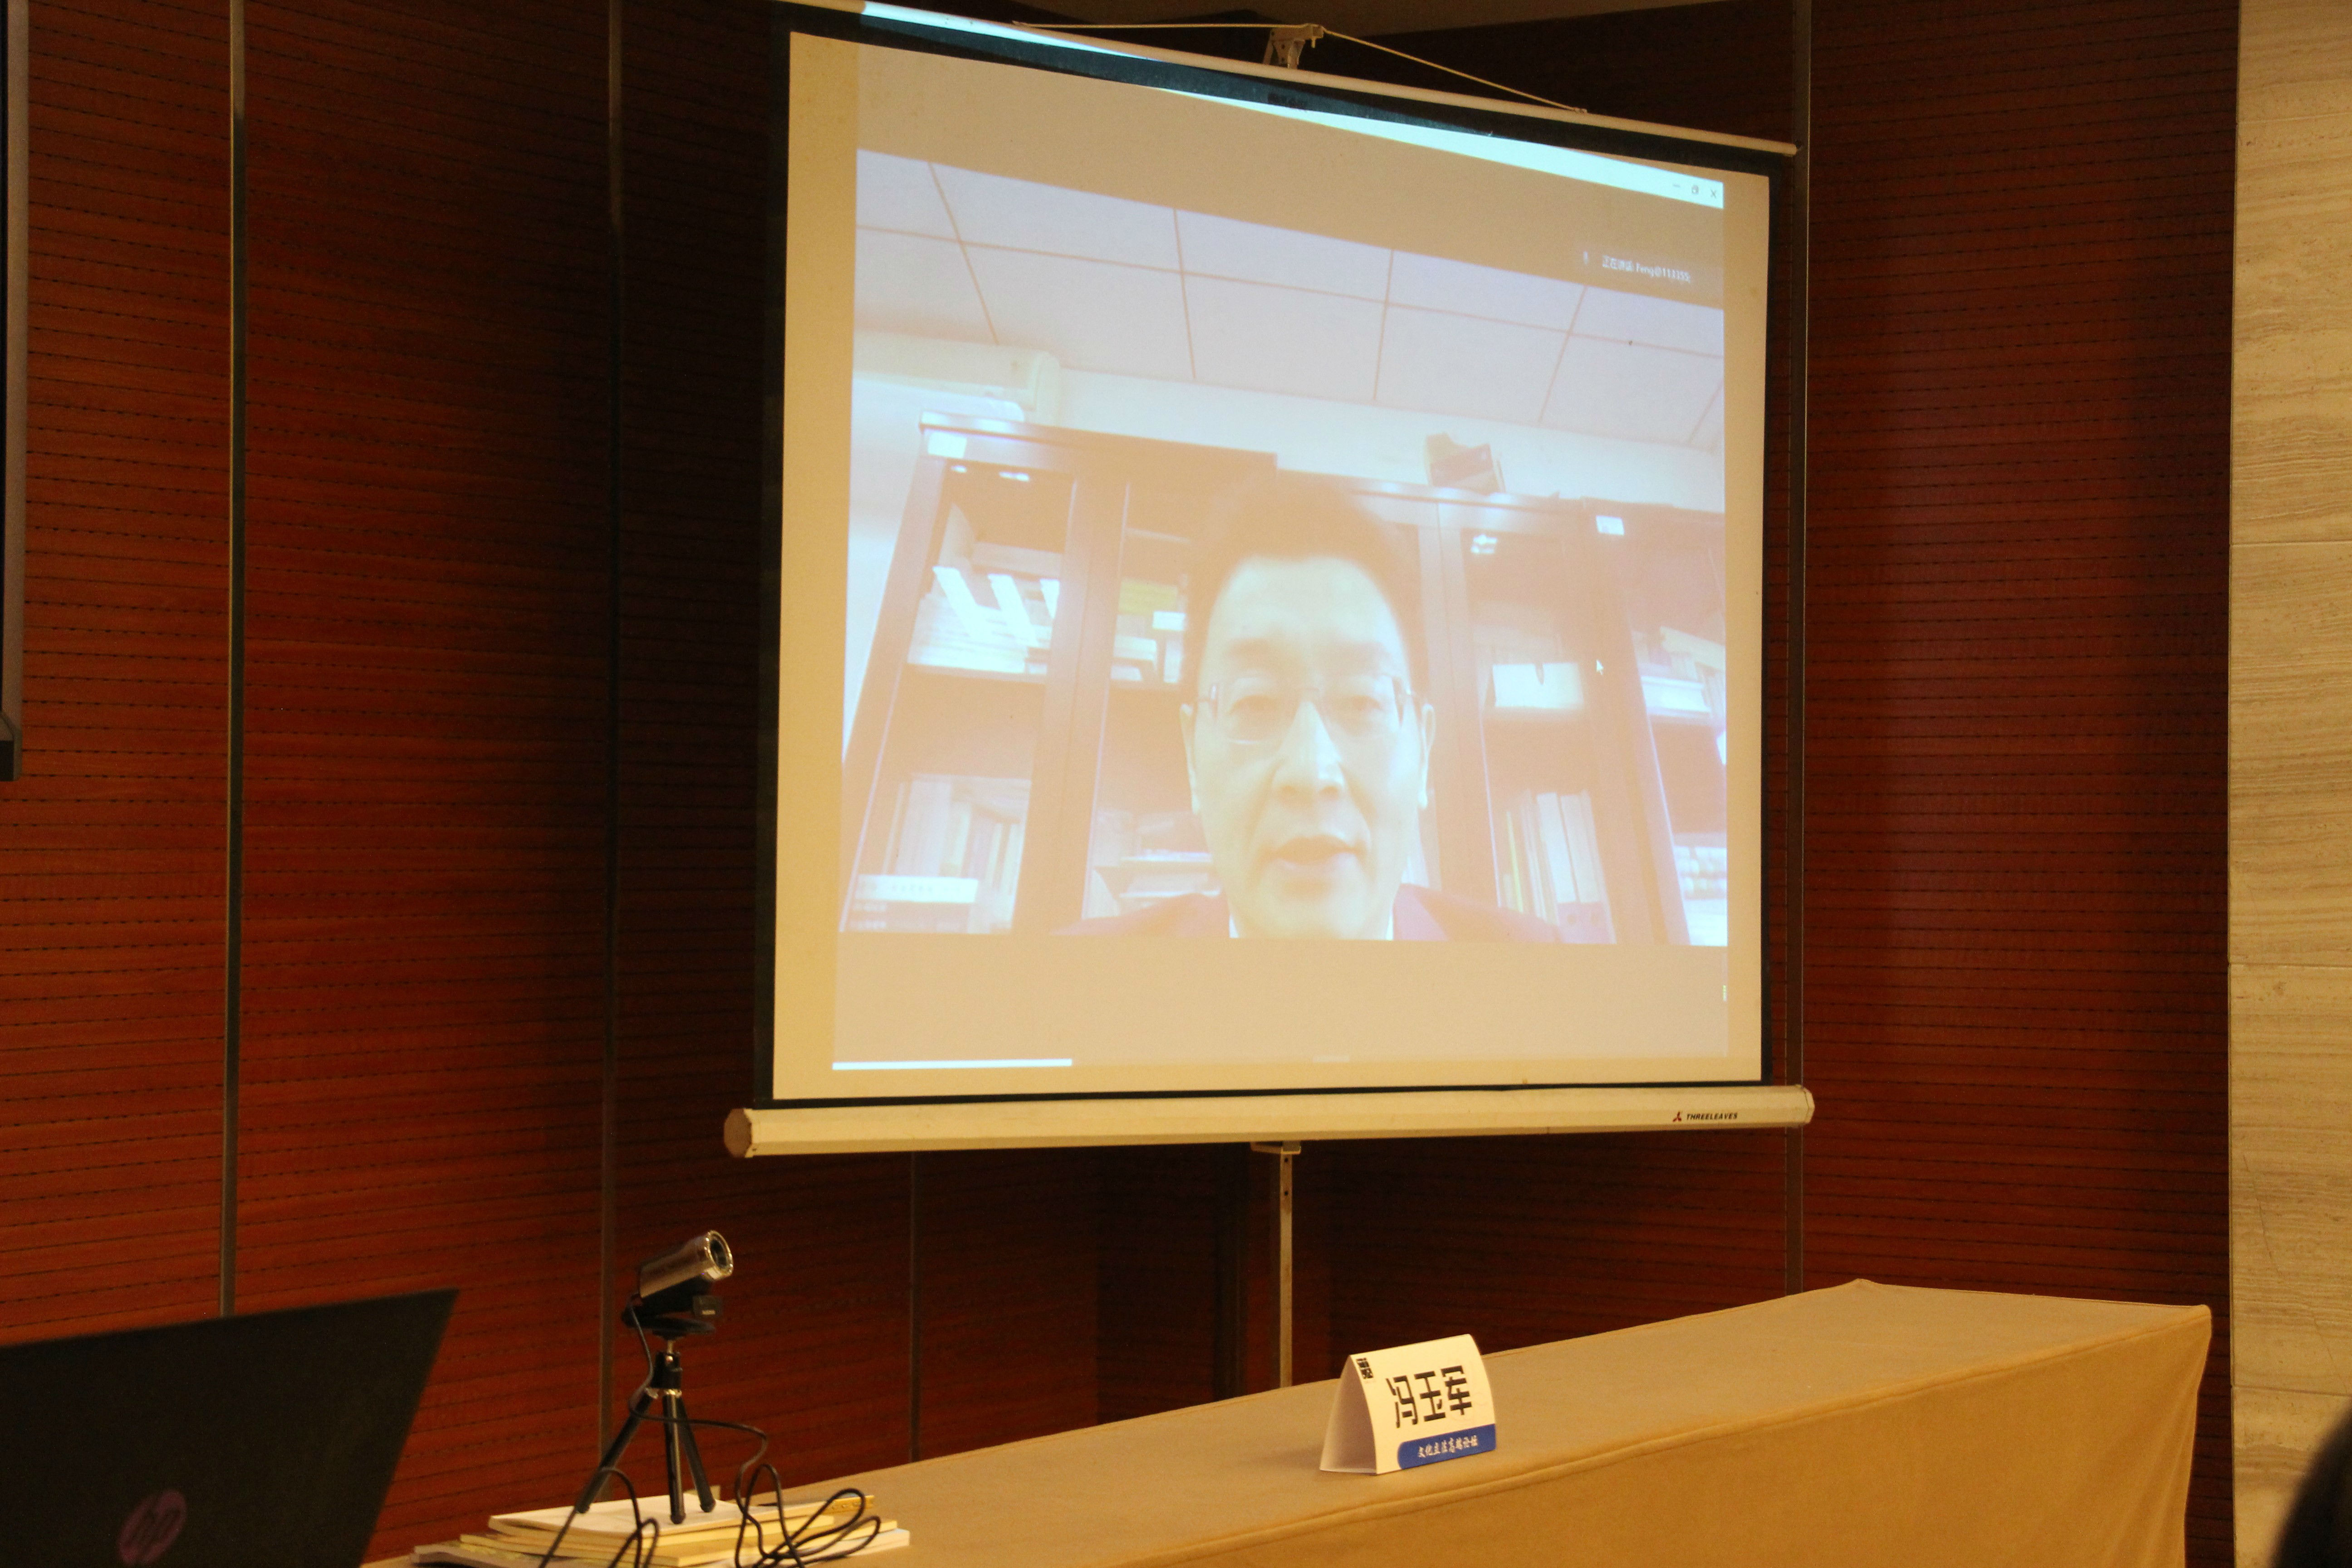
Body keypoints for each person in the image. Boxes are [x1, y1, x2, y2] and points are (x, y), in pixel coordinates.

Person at [1063, 473, 1555, 941]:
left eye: (1362, 700)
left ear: (1424, 752)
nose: (1311, 771)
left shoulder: (1534, 976)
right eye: (1254, 701)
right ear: (1193, 755)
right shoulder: (1074, 984)